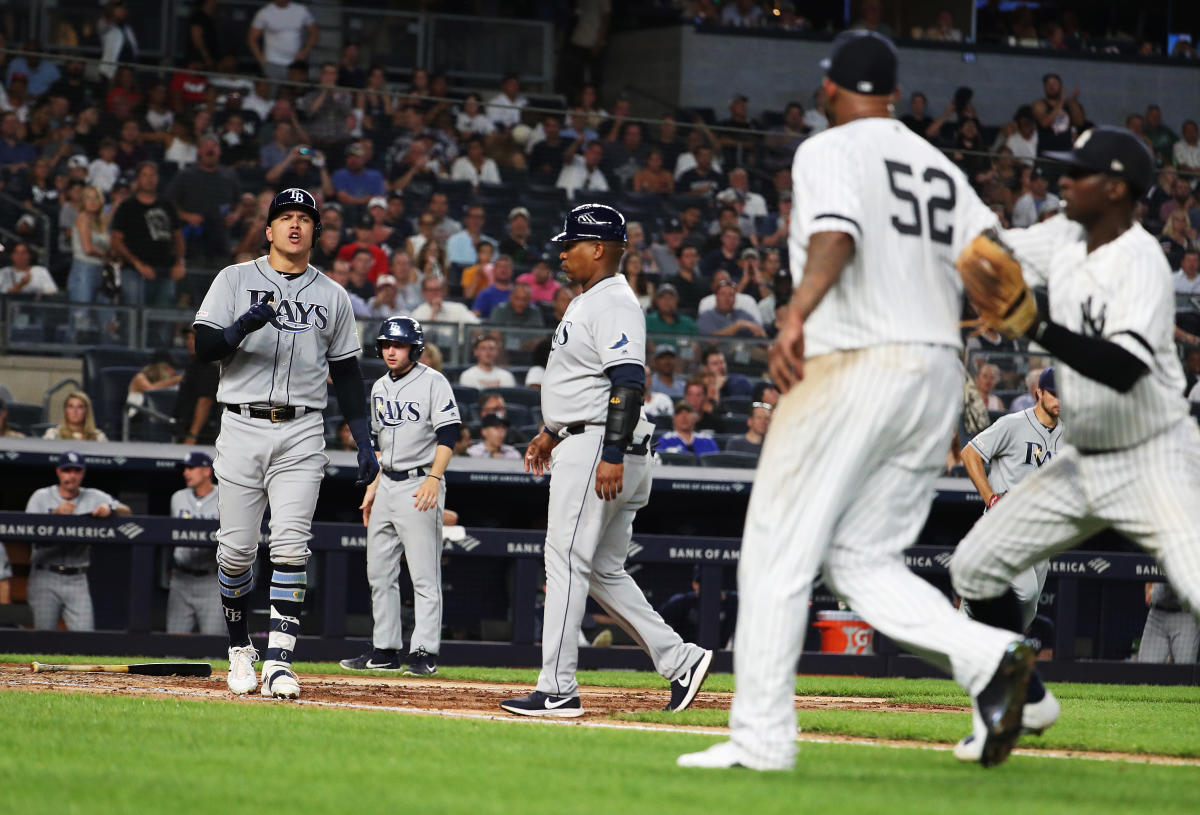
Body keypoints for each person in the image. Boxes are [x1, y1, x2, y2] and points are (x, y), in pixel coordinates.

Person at [679, 32, 1036, 773]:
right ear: (894, 95)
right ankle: (994, 658)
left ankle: (762, 739)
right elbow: (997, 275)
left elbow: (836, 233)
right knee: (860, 558)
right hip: (937, 374)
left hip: (856, 360)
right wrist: (987, 316)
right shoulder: (939, 164)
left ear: (834, 89)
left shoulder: (829, 148)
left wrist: (796, 311)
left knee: (777, 545)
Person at [950, 127, 1200, 756]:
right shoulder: (1064, 233)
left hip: (1155, 455)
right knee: (975, 569)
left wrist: (1035, 321)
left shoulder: (1142, 260)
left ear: (1115, 188)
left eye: (1077, 172)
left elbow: (1123, 366)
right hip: (1083, 459)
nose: (1061, 180)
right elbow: (989, 247)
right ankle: (1025, 698)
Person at [501, 204, 712, 717]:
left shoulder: (613, 301)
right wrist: (551, 432)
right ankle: (680, 659)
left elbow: (628, 381)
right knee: (600, 569)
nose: (562, 253)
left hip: (601, 446)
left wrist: (610, 452)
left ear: (597, 249)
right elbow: (589, 381)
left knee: (566, 560)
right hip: (592, 440)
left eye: (570, 244)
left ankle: (557, 688)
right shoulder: (592, 300)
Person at [192, 187, 378, 699]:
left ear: (315, 231)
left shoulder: (334, 295)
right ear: (268, 229)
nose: (294, 225)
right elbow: (203, 347)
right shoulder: (234, 279)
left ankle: (279, 659)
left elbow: (347, 375)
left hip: (301, 429)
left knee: (293, 546)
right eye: (285, 217)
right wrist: (241, 326)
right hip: (242, 423)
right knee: (235, 554)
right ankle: (238, 648)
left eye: (304, 218)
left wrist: (365, 441)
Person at [340, 317, 460, 675]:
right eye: (387, 345)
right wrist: (374, 487)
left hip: (419, 481)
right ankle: (385, 649)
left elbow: (449, 434)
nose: (392, 350)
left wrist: (435, 478)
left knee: (423, 574)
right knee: (379, 572)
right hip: (387, 482)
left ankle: (424, 651)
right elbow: (378, 443)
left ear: (415, 348)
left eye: (400, 345)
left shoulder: (433, 382)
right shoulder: (378, 386)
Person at [957, 367, 1062, 671]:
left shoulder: (1067, 434)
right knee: (1025, 591)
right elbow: (970, 453)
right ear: (1038, 393)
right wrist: (990, 497)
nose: (1059, 399)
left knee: (1026, 612)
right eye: (1053, 392)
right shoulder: (1013, 424)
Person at [25, 451, 131, 631]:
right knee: (42, 639)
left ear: (82, 473)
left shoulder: (93, 496)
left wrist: (110, 508)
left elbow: (127, 511)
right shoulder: (41, 497)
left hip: (77, 578)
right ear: (59, 472)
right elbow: (27, 531)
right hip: (45, 575)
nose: (71, 475)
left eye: (76, 471)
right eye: (67, 470)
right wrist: (55, 516)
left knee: (84, 637)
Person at [110, 162, 185, 308]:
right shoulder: (127, 207)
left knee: (163, 318)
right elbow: (116, 240)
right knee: (134, 315)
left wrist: (179, 262)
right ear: (138, 179)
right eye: (145, 175)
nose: (149, 179)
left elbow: (178, 237)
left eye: (152, 175)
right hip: (134, 271)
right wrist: (137, 263)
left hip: (165, 270)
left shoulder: (167, 205)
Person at [167, 452, 223, 635]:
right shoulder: (178, 498)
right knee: (174, 647)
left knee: (214, 646)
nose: (186, 473)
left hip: (212, 580)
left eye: (191, 468)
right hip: (181, 579)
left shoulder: (225, 497)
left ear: (207, 471)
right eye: (185, 468)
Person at [248, 0, 318, 81]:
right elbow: (252, 39)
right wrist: (262, 62)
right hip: (272, 63)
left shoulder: (301, 10)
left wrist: (305, 52)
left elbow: (314, 32)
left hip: (295, 63)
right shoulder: (264, 13)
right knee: (273, 92)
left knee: (295, 91)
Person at [173, 327, 220, 445]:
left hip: (200, 435)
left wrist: (193, 434)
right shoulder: (195, 364)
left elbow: (205, 401)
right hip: (185, 427)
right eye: (188, 338)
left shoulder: (208, 366)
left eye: (194, 338)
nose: (189, 342)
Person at [1137, 581, 1199, 664]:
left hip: (1186, 616)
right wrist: (1148, 590)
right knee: (1144, 670)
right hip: (1157, 615)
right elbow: (1149, 570)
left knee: (1184, 672)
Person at [44, 391, 108, 442]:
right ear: (65, 410)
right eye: (71, 406)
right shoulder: (53, 434)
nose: (75, 411)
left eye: (80, 407)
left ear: (86, 411)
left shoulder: (98, 437)